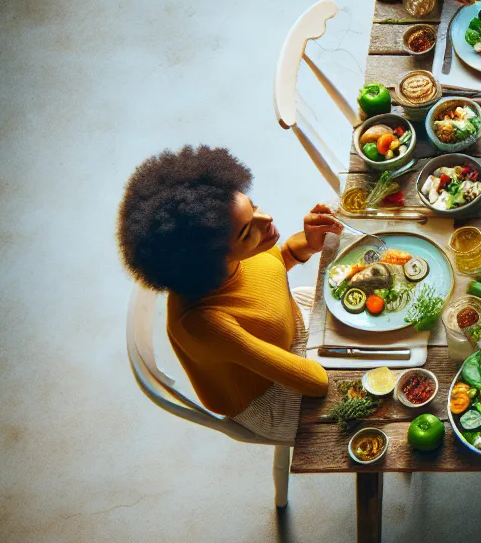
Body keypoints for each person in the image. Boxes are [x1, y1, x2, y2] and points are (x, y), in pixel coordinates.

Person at [117, 146, 343, 443]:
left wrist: (307, 245)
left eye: (255, 205)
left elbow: (271, 269)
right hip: (275, 393)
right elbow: (316, 383)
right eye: (248, 231)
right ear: (210, 258)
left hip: (288, 326)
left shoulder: (226, 254)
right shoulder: (202, 324)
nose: (268, 219)